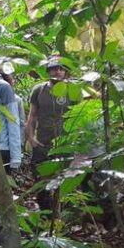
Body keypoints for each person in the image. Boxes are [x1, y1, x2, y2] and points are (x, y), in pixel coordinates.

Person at [25, 55, 76, 210]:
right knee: (41, 179)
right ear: (48, 70)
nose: (57, 72)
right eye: (54, 68)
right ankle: (45, 212)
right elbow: (32, 115)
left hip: (66, 143)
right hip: (43, 141)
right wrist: (31, 138)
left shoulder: (73, 89)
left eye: (61, 69)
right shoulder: (39, 90)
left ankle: (64, 214)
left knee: (66, 179)